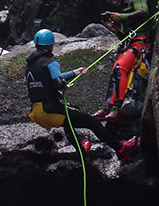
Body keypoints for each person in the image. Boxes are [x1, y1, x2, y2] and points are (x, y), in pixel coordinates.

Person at [25, 28, 138, 159]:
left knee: (69, 121)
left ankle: (83, 154)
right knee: (91, 121)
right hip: (50, 109)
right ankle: (121, 148)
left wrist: (75, 72)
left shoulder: (30, 65)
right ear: (50, 45)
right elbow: (58, 82)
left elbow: (50, 79)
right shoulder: (51, 63)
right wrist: (63, 85)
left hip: (38, 112)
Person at [95, 0, 153, 121]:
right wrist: (115, 29)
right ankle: (108, 106)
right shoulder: (121, 13)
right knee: (116, 69)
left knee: (120, 68)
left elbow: (144, 13)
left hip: (142, 43)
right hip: (130, 44)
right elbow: (124, 36)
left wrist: (120, 17)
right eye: (112, 1)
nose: (114, 3)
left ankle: (117, 107)